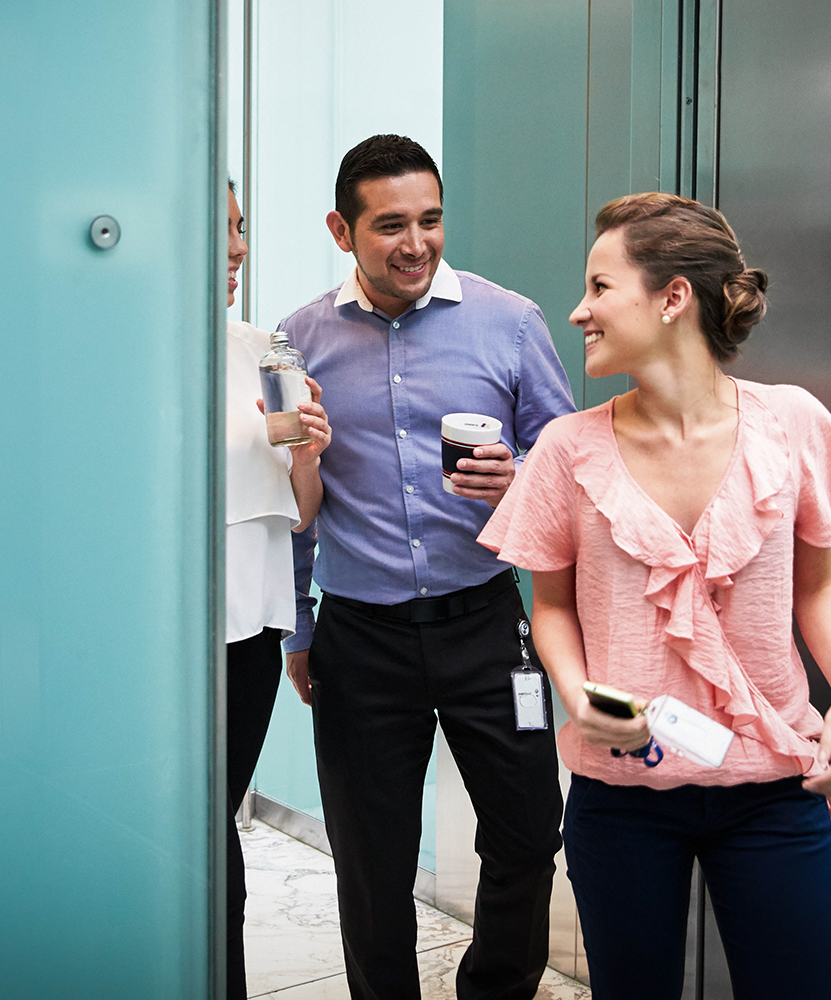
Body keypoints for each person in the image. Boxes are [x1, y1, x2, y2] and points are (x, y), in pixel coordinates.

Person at [477, 192, 831, 999]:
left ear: (672, 298)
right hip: (623, 795)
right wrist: (575, 690)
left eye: (599, 287)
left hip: (774, 788)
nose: (578, 309)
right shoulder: (566, 450)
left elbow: (820, 590)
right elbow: (548, 604)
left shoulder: (795, 423)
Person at [278, 134, 577, 1000]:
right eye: (390, 226)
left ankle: (495, 988)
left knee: (527, 830)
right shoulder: (298, 343)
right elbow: (295, 501)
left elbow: (569, 475)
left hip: (487, 621)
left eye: (431, 220)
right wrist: (301, 627)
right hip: (360, 637)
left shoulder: (510, 321)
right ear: (343, 229)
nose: (416, 244)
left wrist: (516, 482)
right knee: (372, 861)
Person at [223, 179, 331, 999]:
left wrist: (306, 455)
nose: (236, 249)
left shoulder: (265, 350)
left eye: (240, 228)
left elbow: (303, 514)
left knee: (211, 819)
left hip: (252, 628)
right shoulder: (118, 355)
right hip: (158, 632)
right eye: (217, 229)